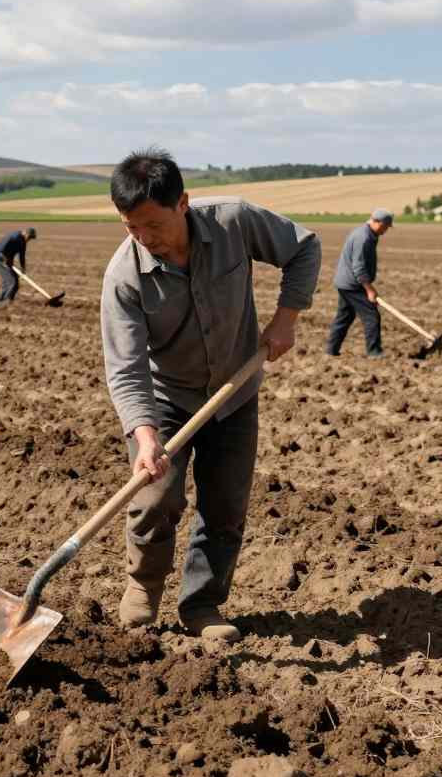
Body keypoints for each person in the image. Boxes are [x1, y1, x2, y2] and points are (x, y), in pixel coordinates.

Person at [101, 148, 321, 641]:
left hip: (233, 391)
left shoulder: (234, 223)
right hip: (165, 398)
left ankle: (202, 606)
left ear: (183, 203)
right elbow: (126, 368)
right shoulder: (124, 276)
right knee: (155, 497)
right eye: (130, 227)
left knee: (225, 506)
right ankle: (142, 588)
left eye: (152, 225)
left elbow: (304, 247)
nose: (144, 238)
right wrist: (144, 436)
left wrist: (286, 317)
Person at [325, 209, 393, 358]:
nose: (386, 230)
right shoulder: (363, 237)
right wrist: (369, 290)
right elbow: (358, 267)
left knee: (344, 317)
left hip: (346, 282)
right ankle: (374, 352)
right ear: (377, 222)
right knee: (371, 316)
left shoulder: (366, 233)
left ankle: (331, 350)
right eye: (386, 226)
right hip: (352, 284)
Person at [0, 227, 36, 303]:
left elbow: (22, 255)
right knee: (12, 281)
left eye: (30, 239)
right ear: (25, 233)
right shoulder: (13, 237)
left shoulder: (23, 242)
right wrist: (5, 259)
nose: (29, 240)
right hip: (0, 259)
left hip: (8, 260)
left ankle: (3, 299)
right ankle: (5, 300)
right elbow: (0, 250)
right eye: (29, 237)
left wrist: (23, 268)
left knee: (12, 282)